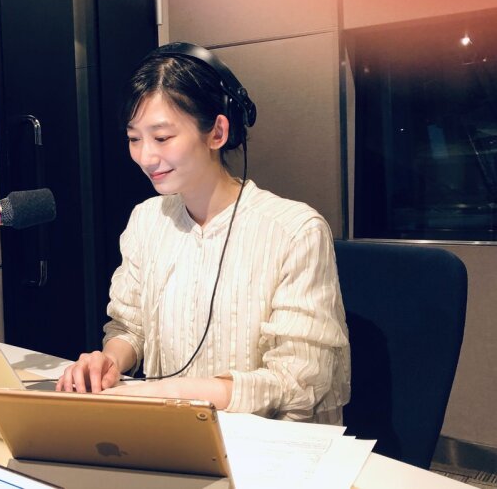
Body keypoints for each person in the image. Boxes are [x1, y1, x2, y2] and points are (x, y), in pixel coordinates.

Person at [56, 42, 350, 424]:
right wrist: (110, 360)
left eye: (162, 138)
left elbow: (299, 381)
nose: (145, 157)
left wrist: (171, 393)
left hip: (265, 442)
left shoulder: (296, 231)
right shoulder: (146, 220)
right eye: (134, 138)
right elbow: (130, 327)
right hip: (170, 433)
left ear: (217, 132)